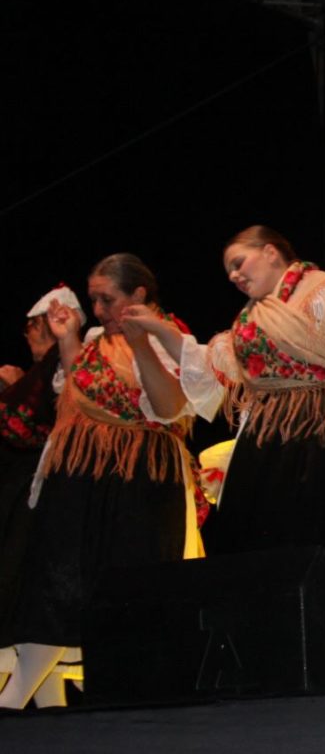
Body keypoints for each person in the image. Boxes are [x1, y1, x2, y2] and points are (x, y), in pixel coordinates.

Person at [126, 226, 325, 595]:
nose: (234, 275)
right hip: (268, 441)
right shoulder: (252, 318)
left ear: (271, 252)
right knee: (268, 554)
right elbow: (212, 363)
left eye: (239, 262)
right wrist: (158, 329)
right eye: (229, 271)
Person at [0, 255, 199, 709]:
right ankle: (41, 690)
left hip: (138, 472)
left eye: (107, 299)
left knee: (128, 578)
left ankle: (121, 685)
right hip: (82, 469)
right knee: (57, 573)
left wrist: (141, 343)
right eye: (94, 300)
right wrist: (68, 337)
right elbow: (81, 391)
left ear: (138, 295)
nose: (98, 310)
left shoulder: (169, 338)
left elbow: (168, 408)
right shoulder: (94, 340)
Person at [0, 287, 83, 650]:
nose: (27, 335)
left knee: (21, 567)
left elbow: (59, 414)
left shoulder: (63, 364)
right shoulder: (40, 370)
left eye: (31, 326)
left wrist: (15, 387)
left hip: (44, 482)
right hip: (21, 483)